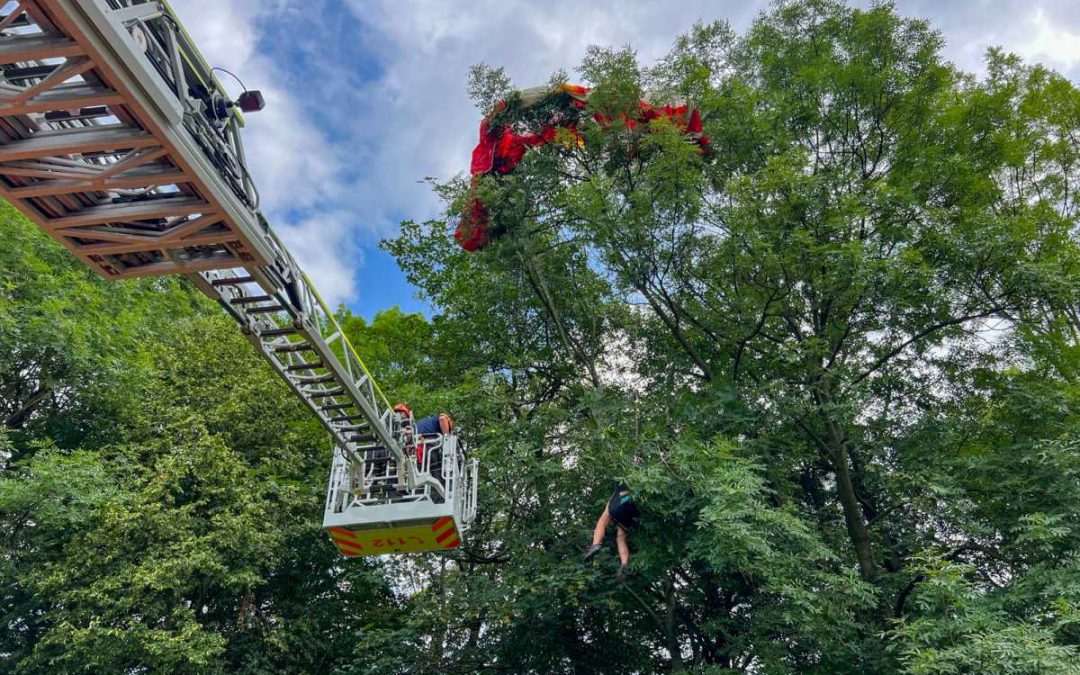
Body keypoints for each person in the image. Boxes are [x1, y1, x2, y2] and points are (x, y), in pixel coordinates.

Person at [583, 480, 640, 581]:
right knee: (621, 538)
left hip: (620, 502)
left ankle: (595, 544)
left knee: (603, 519)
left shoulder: (622, 480)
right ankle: (624, 563)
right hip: (633, 509)